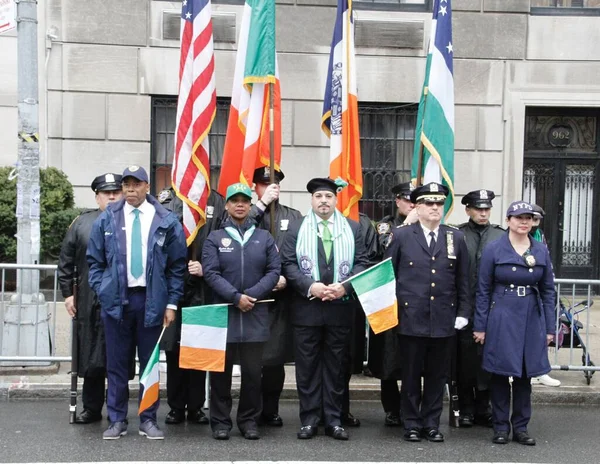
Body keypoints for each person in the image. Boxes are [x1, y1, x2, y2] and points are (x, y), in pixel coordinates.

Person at [87, 165, 187, 440]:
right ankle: (117, 420)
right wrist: (103, 289)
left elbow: (177, 266)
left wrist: (171, 304)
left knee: (150, 362)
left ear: (146, 186)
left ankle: (148, 418)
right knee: (116, 364)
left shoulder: (165, 218)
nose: (130, 189)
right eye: (126, 184)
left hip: (151, 299)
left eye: (136, 184)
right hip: (117, 301)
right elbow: (94, 262)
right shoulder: (107, 218)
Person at [281, 177, 368, 441]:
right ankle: (309, 420)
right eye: (319, 196)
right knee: (306, 368)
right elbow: (288, 264)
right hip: (306, 310)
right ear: (312, 200)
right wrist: (311, 286)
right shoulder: (296, 229)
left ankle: (333, 420)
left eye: (328, 197)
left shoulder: (353, 229)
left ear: (335, 200)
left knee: (336, 367)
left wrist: (346, 286)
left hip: (340, 309)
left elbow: (363, 262)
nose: (323, 201)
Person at [386, 182, 470, 443]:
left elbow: (463, 279)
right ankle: (411, 423)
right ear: (417, 207)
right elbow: (389, 274)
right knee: (410, 375)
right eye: (429, 203)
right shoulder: (402, 236)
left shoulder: (454, 237)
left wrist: (464, 312)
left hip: (444, 318)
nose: (435, 208)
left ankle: (431, 423)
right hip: (411, 318)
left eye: (439, 203)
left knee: (437, 375)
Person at [202, 182, 281, 441]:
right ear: (226, 205)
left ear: (250, 205)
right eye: (234, 200)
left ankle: (248, 421)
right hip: (225, 312)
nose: (239, 204)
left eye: (245, 200)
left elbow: (274, 271)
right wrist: (236, 298)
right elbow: (210, 273)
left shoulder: (264, 237)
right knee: (220, 374)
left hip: (254, 313)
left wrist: (253, 295)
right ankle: (220, 422)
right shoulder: (215, 238)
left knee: (252, 374)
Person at [473, 201, 556, 446]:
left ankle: (521, 427)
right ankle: (500, 427)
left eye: (529, 218)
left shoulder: (540, 250)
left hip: (530, 315)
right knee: (500, 374)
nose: (524, 222)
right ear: (508, 220)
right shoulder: (494, 249)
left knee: (524, 376)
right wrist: (480, 325)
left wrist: (550, 328)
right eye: (519, 217)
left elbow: (548, 291)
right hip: (501, 314)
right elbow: (483, 289)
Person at [157, 187, 226, 425]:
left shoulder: (216, 200)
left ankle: (196, 406)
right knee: (174, 350)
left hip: (203, 289)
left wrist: (207, 269)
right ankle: (176, 406)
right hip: (173, 286)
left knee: (198, 349)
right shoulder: (166, 199)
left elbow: (226, 244)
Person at [58, 173, 123, 424]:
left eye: (116, 191)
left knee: (117, 357)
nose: (112, 196)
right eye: (106, 192)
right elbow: (66, 262)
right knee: (91, 355)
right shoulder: (81, 223)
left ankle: (117, 412)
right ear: (97, 196)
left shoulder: (130, 222)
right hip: (88, 299)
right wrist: (67, 295)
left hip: (121, 300)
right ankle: (92, 409)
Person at [250, 166, 303, 427]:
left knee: (274, 360)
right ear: (254, 187)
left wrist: (285, 278)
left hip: (281, 300)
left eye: (275, 183)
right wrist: (261, 205)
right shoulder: (248, 214)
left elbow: (300, 255)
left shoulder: (294, 217)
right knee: (252, 360)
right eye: (264, 184)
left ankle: (270, 409)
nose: (271, 188)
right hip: (252, 298)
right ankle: (250, 410)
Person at [370, 182, 418, 427]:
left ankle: (412, 406)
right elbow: (382, 254)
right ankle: (391, 408)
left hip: (414, 301)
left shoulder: (427, 227)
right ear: (397, 201)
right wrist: (407, 224)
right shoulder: (383, 227)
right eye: (407, 200)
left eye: (415, 200)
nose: (412, 205)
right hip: (386, 300)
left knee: (412, 357)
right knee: (386, 358)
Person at [456, 189, 505, 428]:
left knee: (488, 361)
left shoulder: (500, 235)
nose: (483, 213)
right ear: (468, 210)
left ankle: (484, 409)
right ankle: (465, 408)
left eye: (486, 209)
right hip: (465, 307)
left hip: (493, 308)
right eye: (478, 209)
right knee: (465, 361)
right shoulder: (457, 234)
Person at [529, 204, 561, 388]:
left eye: (537, 219)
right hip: (526, 293)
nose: (533, 223)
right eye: (532, 218)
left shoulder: (540, 235)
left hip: (542, 291)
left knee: (543, 333)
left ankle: (541, 371)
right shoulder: (519, 236)